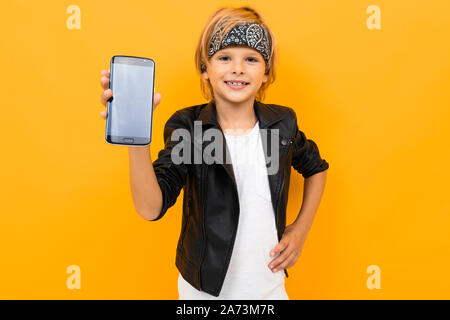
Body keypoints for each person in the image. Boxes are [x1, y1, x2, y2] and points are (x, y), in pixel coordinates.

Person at [99, 6, 329, 300]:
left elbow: (317, 168)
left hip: (269, 291)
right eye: (224, 57)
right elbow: (149, 207)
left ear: (266, 73)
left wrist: (300, 229)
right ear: (205, 69)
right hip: (202, 294)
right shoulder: (190, 129)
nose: (238, 68)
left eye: (251, 59)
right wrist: (137, 141)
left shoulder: (282, 125)